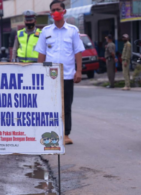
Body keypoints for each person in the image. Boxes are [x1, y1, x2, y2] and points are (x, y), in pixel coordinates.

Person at [35, 0, 85, 145]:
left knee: (66, 106)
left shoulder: (72, 30)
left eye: (58, 9)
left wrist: (79, 71)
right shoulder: (46, 31)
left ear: (64, 11)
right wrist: (39, 73)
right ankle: (49, 135)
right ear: (50, 13)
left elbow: (78, 52)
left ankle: (65, 134)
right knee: (49, 106)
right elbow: (41, 54)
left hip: (67, 75)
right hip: (49, 76)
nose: (55, 12)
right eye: (53, 10)